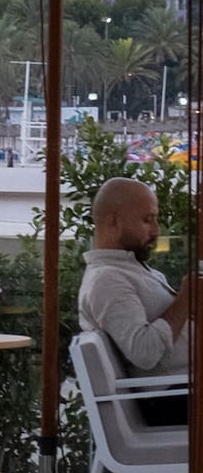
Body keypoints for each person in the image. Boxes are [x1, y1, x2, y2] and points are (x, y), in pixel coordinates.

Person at [78, 176, 193, 425]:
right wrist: (185, 297)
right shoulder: (107, 280)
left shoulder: (131, 270)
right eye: (147, 220)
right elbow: (145, 353)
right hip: (173, 398)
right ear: (113, 222)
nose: (156, 231)